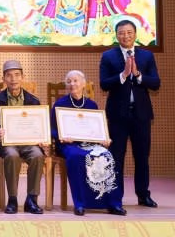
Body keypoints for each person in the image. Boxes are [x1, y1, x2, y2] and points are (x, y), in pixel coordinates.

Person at [99, 18, 160, 207]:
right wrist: (123, 75)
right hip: (118, 115)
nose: (125, 36)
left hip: (141, 114)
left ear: (135, 34)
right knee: (116, 157)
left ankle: (143, 195)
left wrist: (138, 75)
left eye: (129, 32)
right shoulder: (108, 56)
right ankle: (116, 197)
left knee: (142, 156)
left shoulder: (147, 56)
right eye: (121, 33)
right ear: (116, 36)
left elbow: (156, 83)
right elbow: (104, 84)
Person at [51, 70, 125, 216]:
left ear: (83, 84)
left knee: (107, 155)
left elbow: (98, 130)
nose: (72, 84)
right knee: (76, 157)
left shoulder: (92, 104)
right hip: (68, 144)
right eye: (69, 81)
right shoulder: (60, 104)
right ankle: (80, 203)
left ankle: (113, 203)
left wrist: (104, 138)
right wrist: (61, 136)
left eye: (76, 81)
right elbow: (52, 129)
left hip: (90, 143)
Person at [0, 59, 46, 214]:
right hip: (8, 143)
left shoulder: (33, 100)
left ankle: (32, 200)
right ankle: (12, 199)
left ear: (23, 77)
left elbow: (39, 125)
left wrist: (42, 137)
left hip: (28, 142)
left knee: (37, 155)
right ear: (3, 79)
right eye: (9, 75)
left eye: (17, 75)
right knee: (12, 155)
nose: (13, 79)